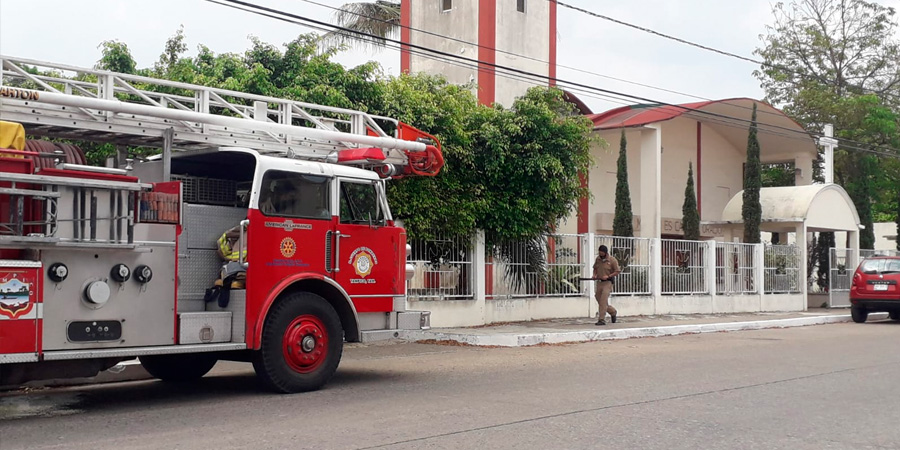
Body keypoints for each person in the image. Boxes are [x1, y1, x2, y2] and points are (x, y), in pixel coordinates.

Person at [593, 245, 620, 325]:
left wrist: (608, 276)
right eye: (599, 252)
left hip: (608, 283)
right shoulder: (598, 259)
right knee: (598, 298)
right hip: (599, 282)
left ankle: (601, 319)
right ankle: (613, 311)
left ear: (605, 252)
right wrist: (594, 275)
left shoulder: (612, 260)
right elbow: (595, 268)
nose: (600, 253)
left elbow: (617, 271)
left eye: (601, 252)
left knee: (603, 300)